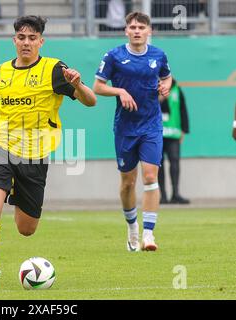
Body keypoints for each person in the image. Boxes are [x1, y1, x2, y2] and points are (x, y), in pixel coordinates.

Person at [0, 15, 96, 289]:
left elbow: (91, 102)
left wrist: (78, 84)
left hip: (35, 156)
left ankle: (15, 192)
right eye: (21, 37)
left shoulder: (55, 70)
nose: (26, 43)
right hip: (2, 149)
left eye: (32, 38)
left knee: (26, 229)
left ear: (41, 41)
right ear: (14, 40)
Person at [93, 12, 172, 252]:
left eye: (141, 27)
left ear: (149, 31)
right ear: (126, 31)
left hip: (151, 126)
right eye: (133, 27)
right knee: (128, 183)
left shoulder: (159, 55)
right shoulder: (114, 56)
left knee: (150, 177)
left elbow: (167, 78)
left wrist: (165, 86)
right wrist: (120, 92)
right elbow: (97, 87)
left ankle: (149, 234)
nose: (137, 31)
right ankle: (132, 228)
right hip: (125, 128)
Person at [159, 78, 190, 204]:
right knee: (158, 165)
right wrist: (158, 100)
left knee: (175, 163)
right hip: (157, 134)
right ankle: (162, 195)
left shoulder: (177, 89)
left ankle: (175, 193)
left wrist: (184, 130)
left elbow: (183, 109)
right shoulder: (153, 88)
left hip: (174, 133)